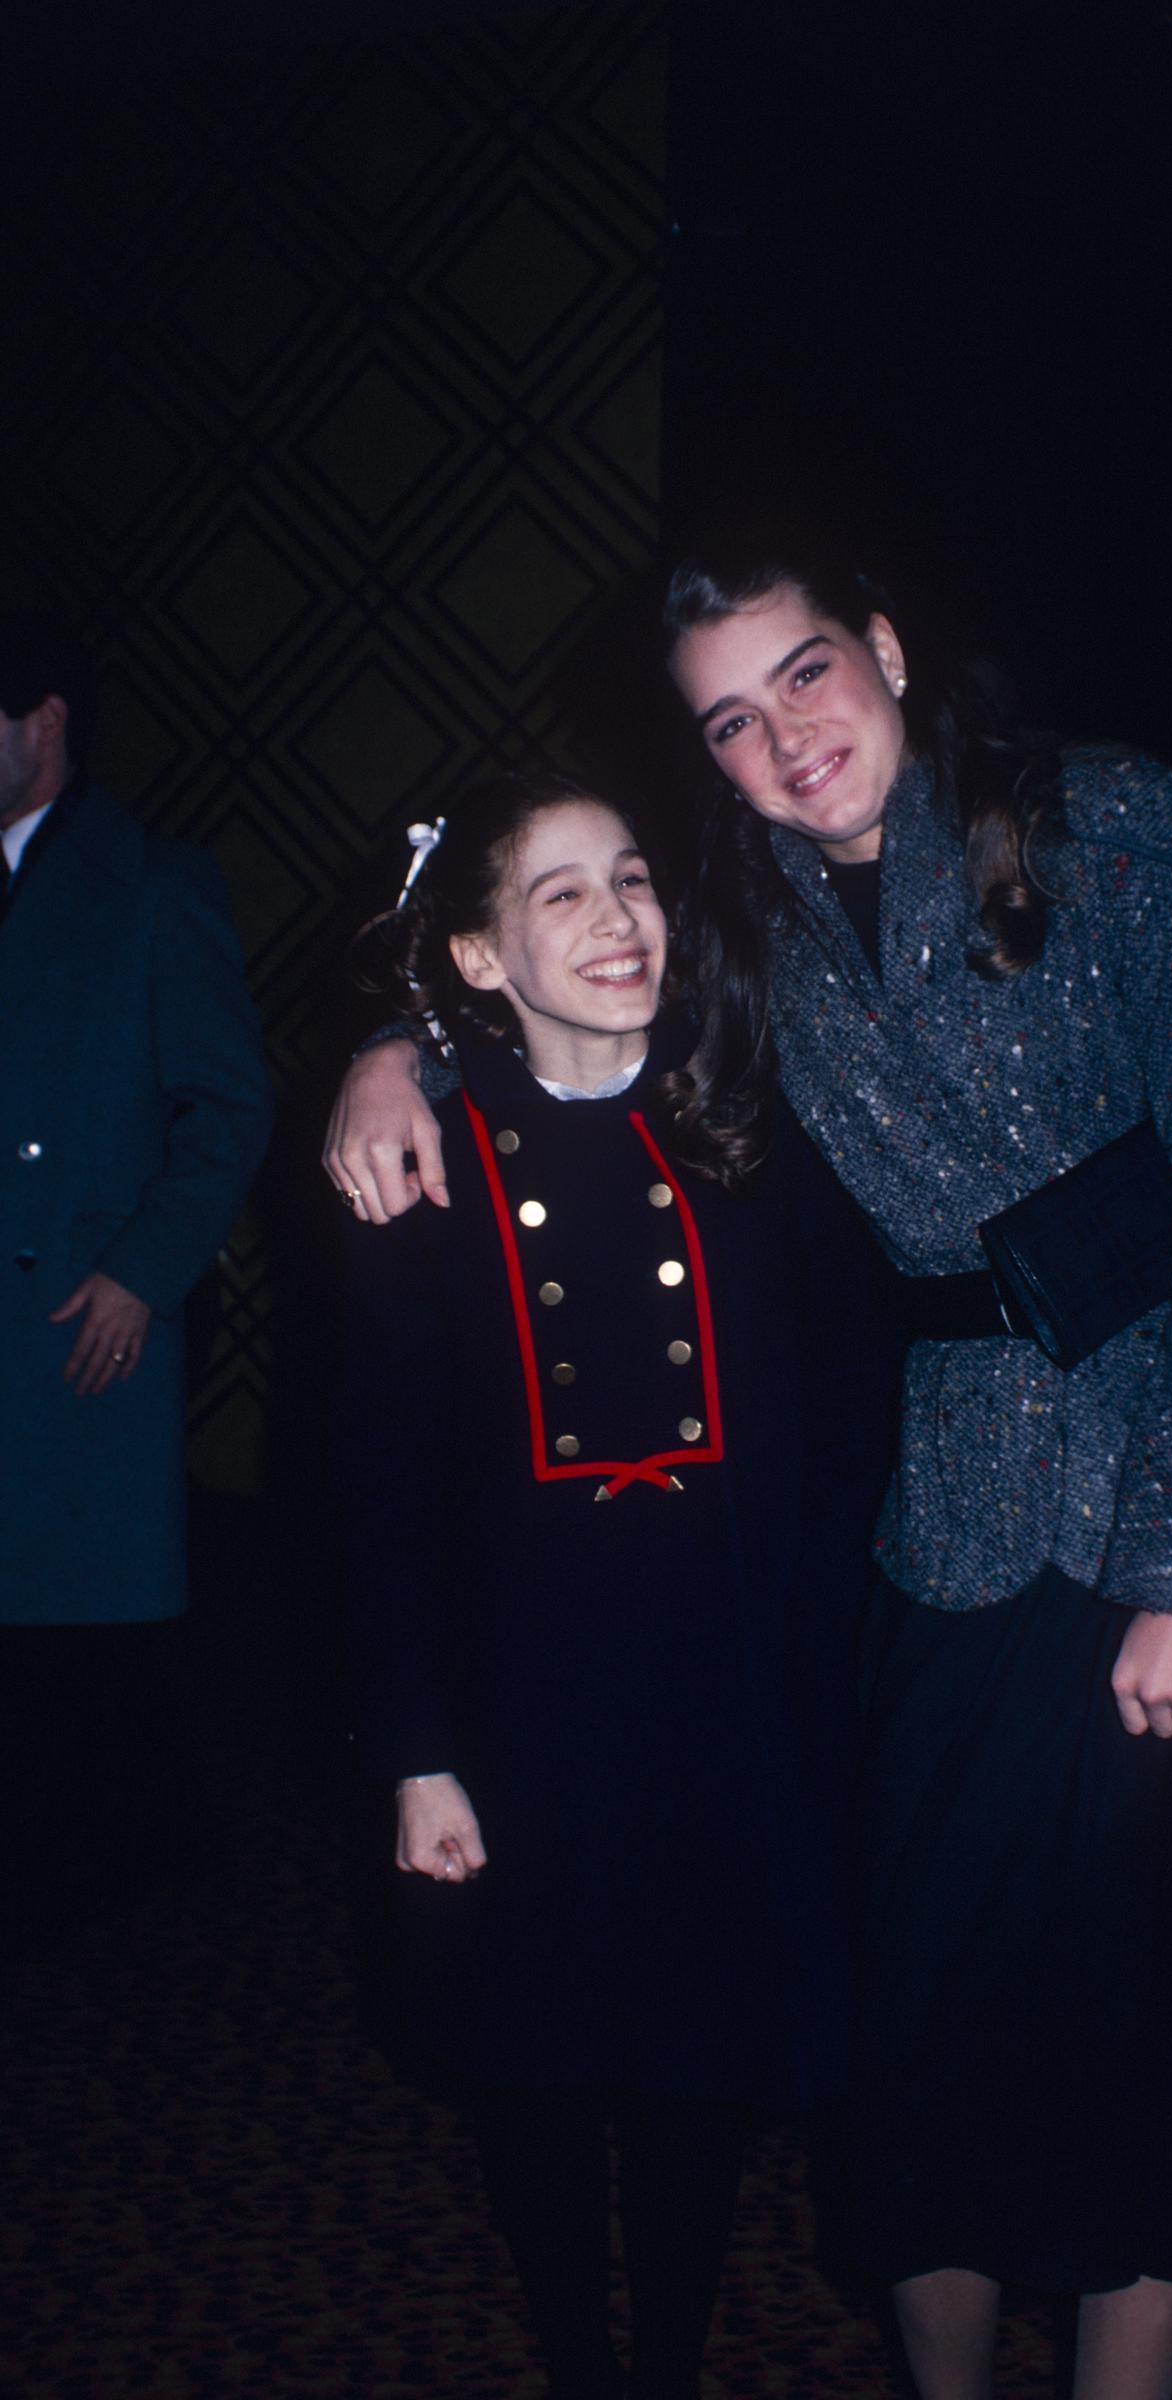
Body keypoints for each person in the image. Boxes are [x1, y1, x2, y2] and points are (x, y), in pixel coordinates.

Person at [325, 538, 1172, 2400]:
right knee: (924, 2023)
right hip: (966, 1508)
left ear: (887, 651)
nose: (782, 738)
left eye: (806, 675)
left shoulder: (1103, 815)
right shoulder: (741, 912)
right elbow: (557, 1000)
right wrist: (390, 1055)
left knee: (1169, 2014)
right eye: (728, 722)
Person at [335, 769, 890, 2400]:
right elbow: (376, 1491)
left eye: (630, 878)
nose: (615, 918)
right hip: (524, 1706)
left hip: (720, 1690)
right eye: (560, 893)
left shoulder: (759, 1127)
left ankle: (664, 2368)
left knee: (694, 2061)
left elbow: (850, 1416)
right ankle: (584, 2362)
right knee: (541, 2061)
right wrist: (413, 1751)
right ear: (483, 956)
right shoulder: (420, 1167)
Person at [0, 613, 272, 1949]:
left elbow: (227, 1111)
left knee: (82, 1635)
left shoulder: (157, 884)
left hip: (77, 1311)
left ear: (41, 722)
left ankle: (140, 1905)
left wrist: (142, 1276)